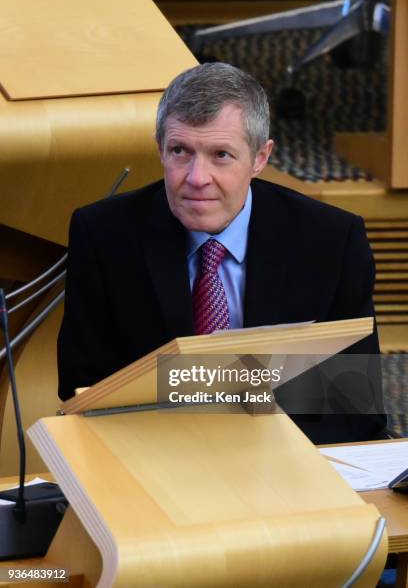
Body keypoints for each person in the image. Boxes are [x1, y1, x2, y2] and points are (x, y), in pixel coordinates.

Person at [58, 62, 386, 443]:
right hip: (156, 454)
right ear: (159, 148)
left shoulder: (331, 239)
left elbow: (354, 404)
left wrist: (200, 389)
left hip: (287, 457)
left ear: (260, 158)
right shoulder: (104, 234)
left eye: (221, 155)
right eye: (180, 151)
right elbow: (82, 390)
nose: (197, 179)